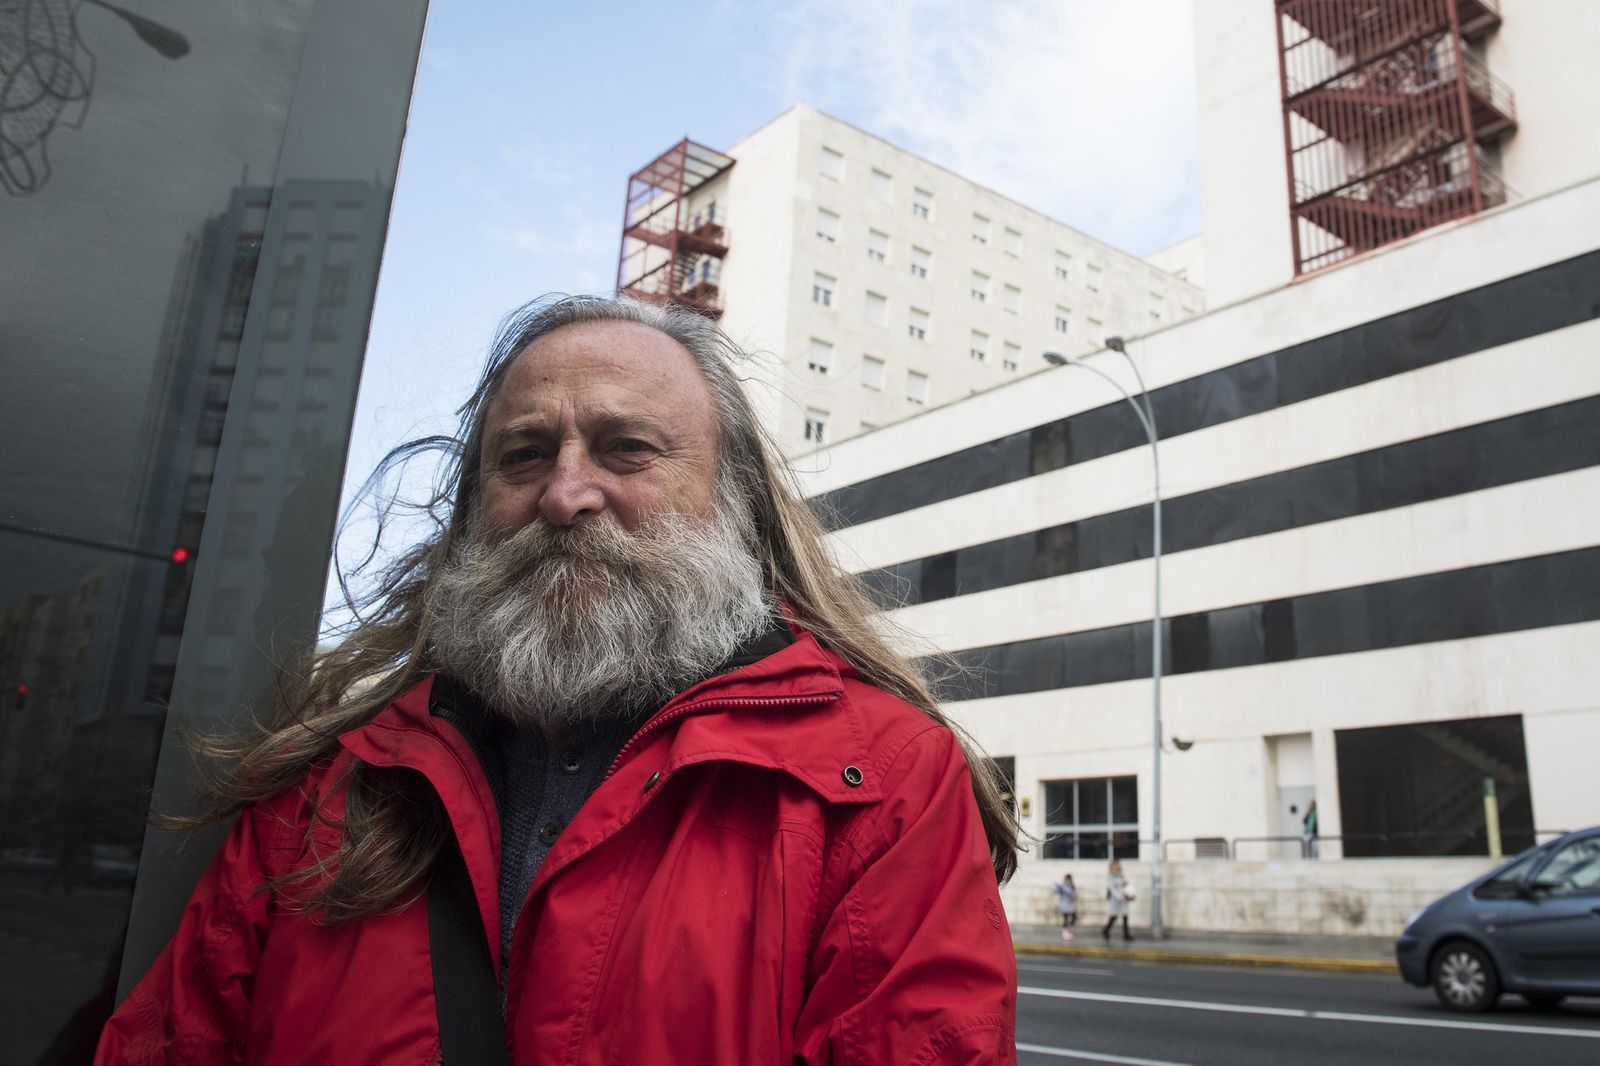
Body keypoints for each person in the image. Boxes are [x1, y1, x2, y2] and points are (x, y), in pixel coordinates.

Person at [95, 296, 1020, 1065]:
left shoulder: (885, 783)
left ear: (733, 504)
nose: (566, 494)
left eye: (626, 450)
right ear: (472, 515)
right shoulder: (323, 798)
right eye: (525, 456)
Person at [1103, 859, 1134, 942]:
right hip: (1115, 900)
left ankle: (1126, 935)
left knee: (1125, 916)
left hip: (1123, 898)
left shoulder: (1121, 875)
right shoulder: (1110, 876)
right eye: (1117, 864)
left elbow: (1125, 884)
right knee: (1114, 916)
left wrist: (1128, 892)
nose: (1119, 866)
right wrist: (1120, 898)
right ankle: (1106, 930)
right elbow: (1112, 889)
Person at [1053, 873, 1078, 942]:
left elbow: (1075, 896)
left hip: (1071, 906)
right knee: (1065, 919)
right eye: (1067, 879)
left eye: (1069, 879)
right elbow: (1056, 891)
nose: (1068, 880)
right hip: (1064, 906)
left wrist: (1073, 897)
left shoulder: (1072, 886)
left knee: (1074, 917)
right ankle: (1065, 933)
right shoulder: (1062, 887)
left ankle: (1069, 928)